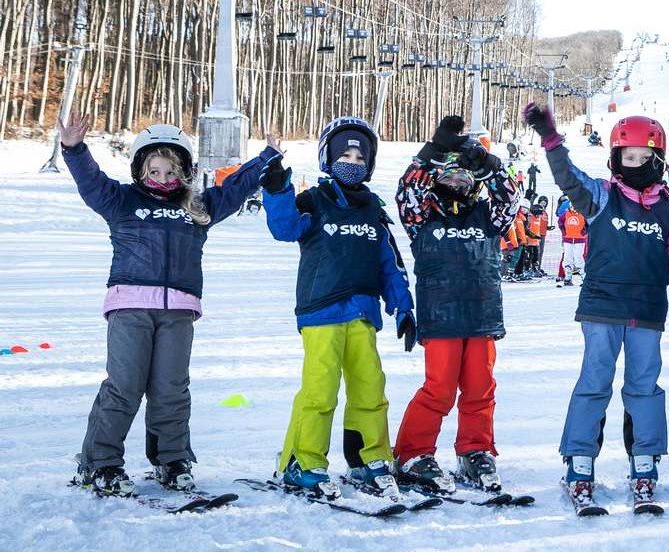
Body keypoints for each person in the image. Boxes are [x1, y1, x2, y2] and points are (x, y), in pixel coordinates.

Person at [62, 116, 275, 496]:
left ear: (185, 172)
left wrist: (266, 157)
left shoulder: (197, 207)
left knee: (171, 389)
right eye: (155, 171)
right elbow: (90, 182)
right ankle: (100, 463)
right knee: (124, 386)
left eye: (172, 171)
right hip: (130, 308)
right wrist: (74, 149)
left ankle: (172, 460)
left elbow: (235, 189)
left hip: (178, 311)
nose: (163, 178)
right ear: (140, 171)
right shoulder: (122, 201)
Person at [525, 103, 669, 513]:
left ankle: (645, 461)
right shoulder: (603, 197)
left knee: (644, 387)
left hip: (647, 312)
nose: (635, 163)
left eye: (643, 157)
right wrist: (552, 141)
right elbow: (568, 179)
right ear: (615, 159)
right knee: (594, 382)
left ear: (658, 160)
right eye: (628, 156)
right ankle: (579, 461)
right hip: (602, 308)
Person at [262, 116, 415, 501]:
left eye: (360, 158)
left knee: (370, 388)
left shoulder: (372, 210)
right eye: (345, 156)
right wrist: (277, 185)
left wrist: (403, 307)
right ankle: (302, 461)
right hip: (321, 311)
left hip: (363, 312)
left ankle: (369, 459)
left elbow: (390, 264)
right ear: (328, 159)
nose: (353, 163)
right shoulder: (314, 201)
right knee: (321, 390)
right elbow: (284, 228)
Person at [391, 116, 517, 495]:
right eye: (449, 175)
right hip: (441, 315)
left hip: (482, 316)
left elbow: (511, 198)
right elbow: (406, 192)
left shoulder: (489, 216)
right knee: (439, 390)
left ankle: (475, 451)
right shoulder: (423, 217)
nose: (456, 181)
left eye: (464, 175)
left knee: (480, 389)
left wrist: (490, 164)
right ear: (436, 178)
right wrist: (431, 153)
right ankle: (413, 453)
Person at [557, 199, 588, 287]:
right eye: (572, 206)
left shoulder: (583, 214)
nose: (574, 208)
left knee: (579, 258)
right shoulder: (566, 214)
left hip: (579, 239)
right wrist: (564, 232)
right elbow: (560, 222)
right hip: (568, 239)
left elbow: (589, 223)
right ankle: (568, 278)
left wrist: (584, 231)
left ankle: (584, 278)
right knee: (567, 258)